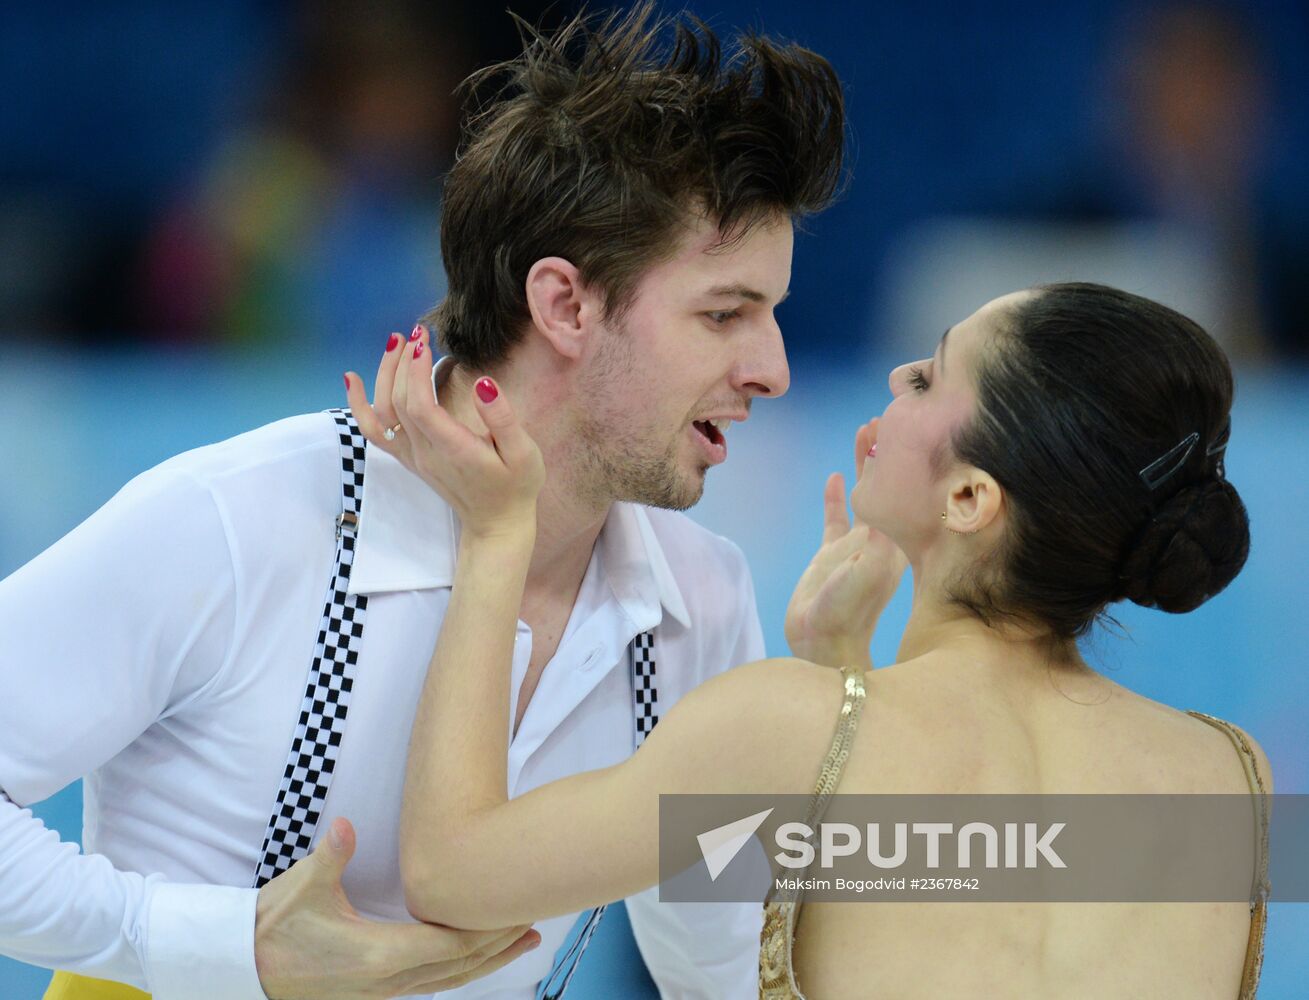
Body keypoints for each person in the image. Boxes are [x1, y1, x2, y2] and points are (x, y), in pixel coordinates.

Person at [0, 6, 845, 999]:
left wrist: (845, 696)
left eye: (772, 314)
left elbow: (736, 966)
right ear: (565, 304)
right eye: (723, 313)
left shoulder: (700, 602)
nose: (774, 369)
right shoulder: (243, 520)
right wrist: (219, 944)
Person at [355, 281, 1273, 999]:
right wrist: (841, 666)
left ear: (968, 500)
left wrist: (494, 540)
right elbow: (956, 894)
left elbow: (449, 873)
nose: (893, 380)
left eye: (927, 377)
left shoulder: (782, 731)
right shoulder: (1231, 779)